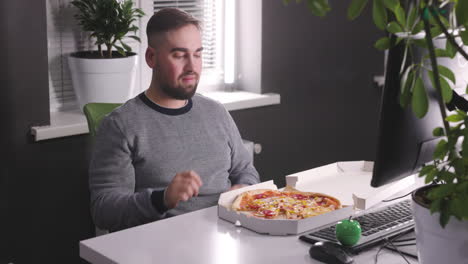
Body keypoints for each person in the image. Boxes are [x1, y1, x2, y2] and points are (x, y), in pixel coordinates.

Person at [89, 8, 260, 232]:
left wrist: (243, 189)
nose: (192, 67)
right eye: (179, 55)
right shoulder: (120, 125)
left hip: (227, 237)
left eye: (197, 54)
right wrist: (162, 199)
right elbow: (104, 212)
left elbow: (246, 170)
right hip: (162, 247)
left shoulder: (216, 113)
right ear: (152, 58)